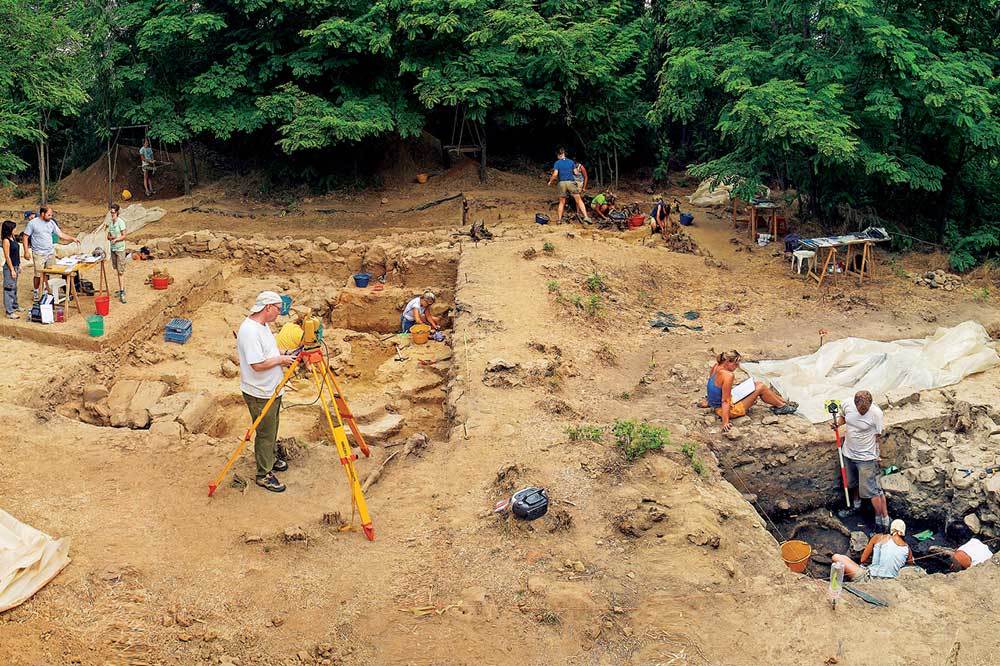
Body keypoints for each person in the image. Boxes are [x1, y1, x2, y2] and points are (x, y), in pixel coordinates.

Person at [237, 291, 296, 493]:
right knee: (265, 432)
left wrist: (285, 354)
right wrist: (281, 361)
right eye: (278, 309)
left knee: (273, 427)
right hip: (259, 391)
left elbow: (269, 352)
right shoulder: (250, 331)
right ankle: (264, 474)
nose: (279, 314)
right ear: (268, 307)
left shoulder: (263, 326)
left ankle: (270, 458)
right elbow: (257, 364)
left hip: (271, 389)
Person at [834, 391, 889, 532]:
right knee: (852, 483)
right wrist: (837, 424)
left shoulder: (876, 413)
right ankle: (856, 507)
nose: (863, 412)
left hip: (866, 457)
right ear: (855, 404)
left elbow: (878, 436)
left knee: (870, 491)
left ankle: (878, 520)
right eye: (861, 409)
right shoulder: (847, 404)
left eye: (866, 409)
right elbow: (844, 417)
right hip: (848, 452)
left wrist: (877, 454)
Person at [705, 350, 797, 431]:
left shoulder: (716, 366)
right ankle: (781, 406)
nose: (737, 367)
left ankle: (782, 402)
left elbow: (711, 386)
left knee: (757, 384)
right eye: (735, 364)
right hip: (726, 410)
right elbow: (725, 401)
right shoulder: (728, 375)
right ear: (728, 362)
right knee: (760, 387)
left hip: (718, 404)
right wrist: (725, 422)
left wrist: (709, 401)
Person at [24, 206, 78, 302]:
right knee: (38, 274)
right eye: (49, 215)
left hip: (50, 252)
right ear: (42, 214)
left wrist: (72, 238)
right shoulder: (32, 223)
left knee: (48, 271)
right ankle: (36, 291)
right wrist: (26, 251)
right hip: (38, 253)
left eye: (51, 215)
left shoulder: (51, 222)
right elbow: (25, 237)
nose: (50, 216)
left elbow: (60, 234)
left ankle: (45, 289)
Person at [832, 519, 914, 581]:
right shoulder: (907, 548)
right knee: (844, 558)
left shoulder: (878, 537)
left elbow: (863, 559)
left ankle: (840, 582)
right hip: (891, 581)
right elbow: (911, 564)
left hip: (869, 578)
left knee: (837, 557)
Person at [547, 148, 591, 224]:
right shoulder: (571, 162)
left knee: (562, 202)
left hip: (561, 183)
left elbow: (555, 174)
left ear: (559, 155)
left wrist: (550, 181)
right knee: (579, 200)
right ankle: (586, 217)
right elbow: (576, 173)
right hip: (571, 182)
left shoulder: (557, 163)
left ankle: (559, 220)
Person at [2, 220, 25, 319]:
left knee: (14, 287)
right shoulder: (6, 240)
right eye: (14, 228)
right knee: (9, 288)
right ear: (9, 229)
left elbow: (16, 254)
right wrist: (12, 269)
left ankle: (15, 306)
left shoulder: (13, 238)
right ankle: (9, 311)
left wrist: (19, 265)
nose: (15, 229)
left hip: (15, 265)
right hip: (9, 267)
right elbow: (7, 256)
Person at [106, 204, 128, 303]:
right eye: (111, 212)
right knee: (116, 269)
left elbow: (124, 235)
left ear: (117, 212)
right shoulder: (111, 223)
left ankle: (122, 291)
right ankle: (121, 288)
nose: (112, 214)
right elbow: (108, 235)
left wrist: (116, 239)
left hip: (120, 249)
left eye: (114, 212)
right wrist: (110, 238)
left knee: (120, 271)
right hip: (113, 249)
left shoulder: (121, 222)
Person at [929, 538, 993, 571]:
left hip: (985, 563)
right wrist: (945, 551)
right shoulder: (970, 544)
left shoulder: (975, 565)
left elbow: (958, 570)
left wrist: (953, 557)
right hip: (981, 551)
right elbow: (957, 552)